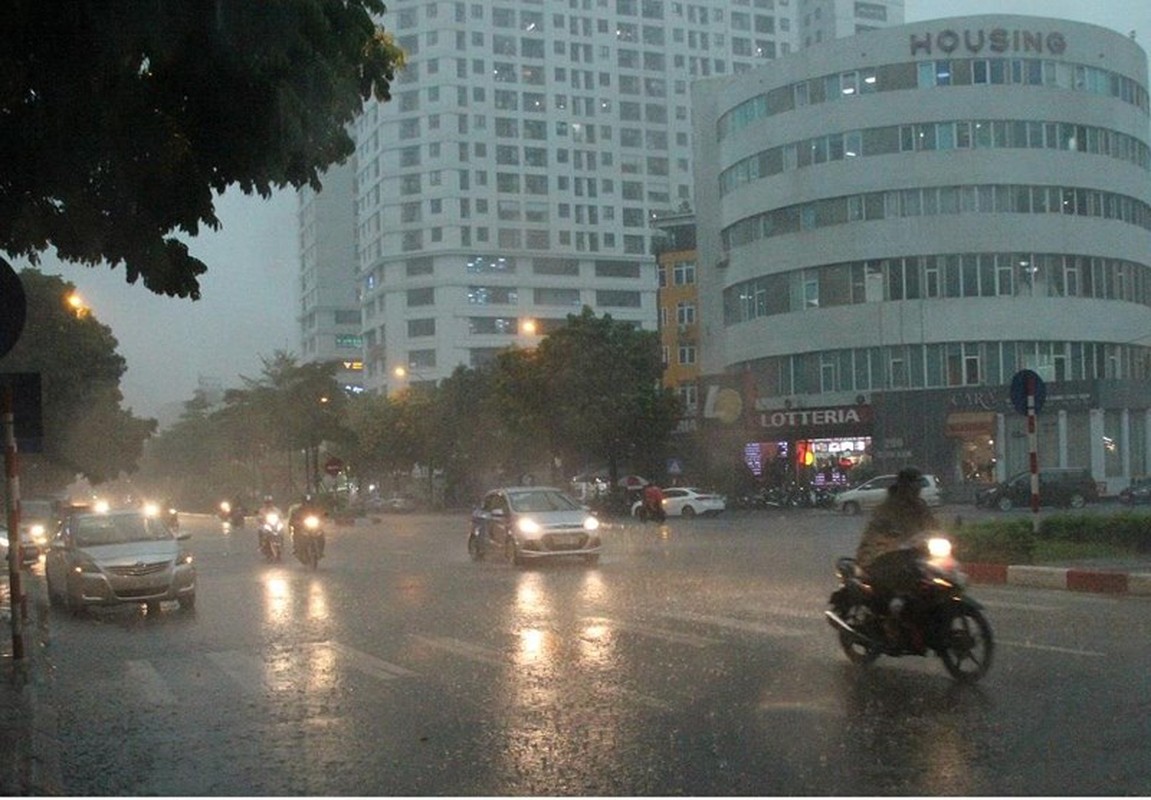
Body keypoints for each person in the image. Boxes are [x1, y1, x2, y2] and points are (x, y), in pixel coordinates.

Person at [855, 467, 937, 645]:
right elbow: (879, 533)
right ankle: (890, 625)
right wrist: (895, 539)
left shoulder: (920, 505)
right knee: (898, 589)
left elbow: (932, 526)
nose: (918, 489)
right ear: (904, 486)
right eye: (914, 485)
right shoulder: (888, 507)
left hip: (908, 555)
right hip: (879, 555)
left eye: (919, 485)